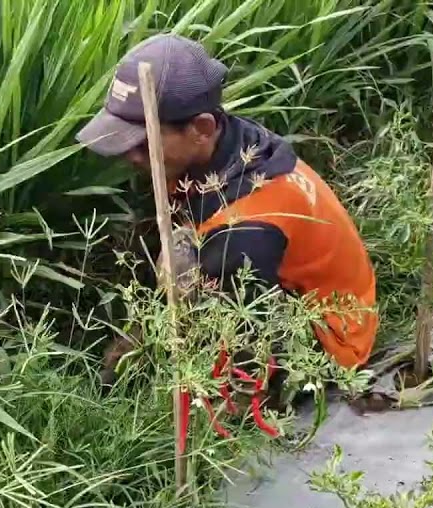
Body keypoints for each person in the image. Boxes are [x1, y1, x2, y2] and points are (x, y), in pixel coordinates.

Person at [81, 34, 378, 400]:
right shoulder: (233, 143)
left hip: (330, 338)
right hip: (298, 286)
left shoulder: (249, 225)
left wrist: (128, 372)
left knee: (197, 306)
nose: (130, 155)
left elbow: (225, 313)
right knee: (182, 264)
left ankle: (245, 399)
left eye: (142, 143)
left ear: (202, 128)